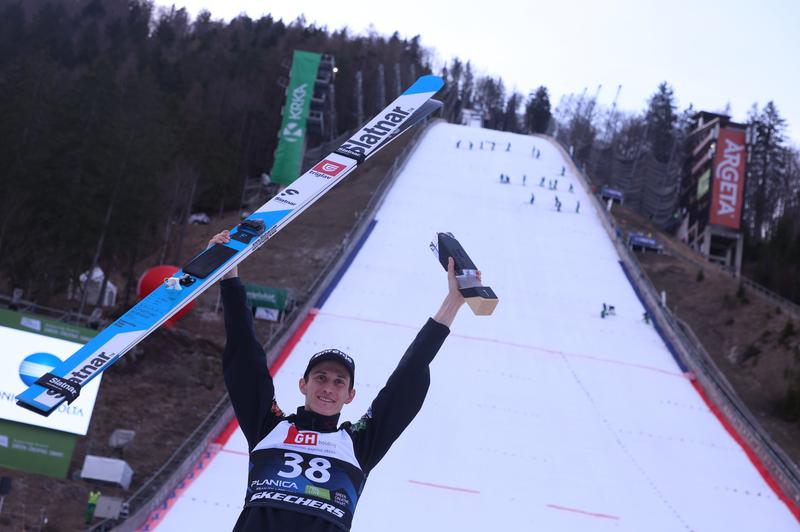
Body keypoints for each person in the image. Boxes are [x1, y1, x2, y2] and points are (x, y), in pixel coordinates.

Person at [210, 230, 477, 531]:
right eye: (320, 378)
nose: (327, 388)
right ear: (303, 385)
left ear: (350, 395)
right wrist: (229, 274)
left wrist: (453, 302)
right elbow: (245, 360)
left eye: (339, 382)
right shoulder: (269, 427)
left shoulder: (357, 444)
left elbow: (406, 381)